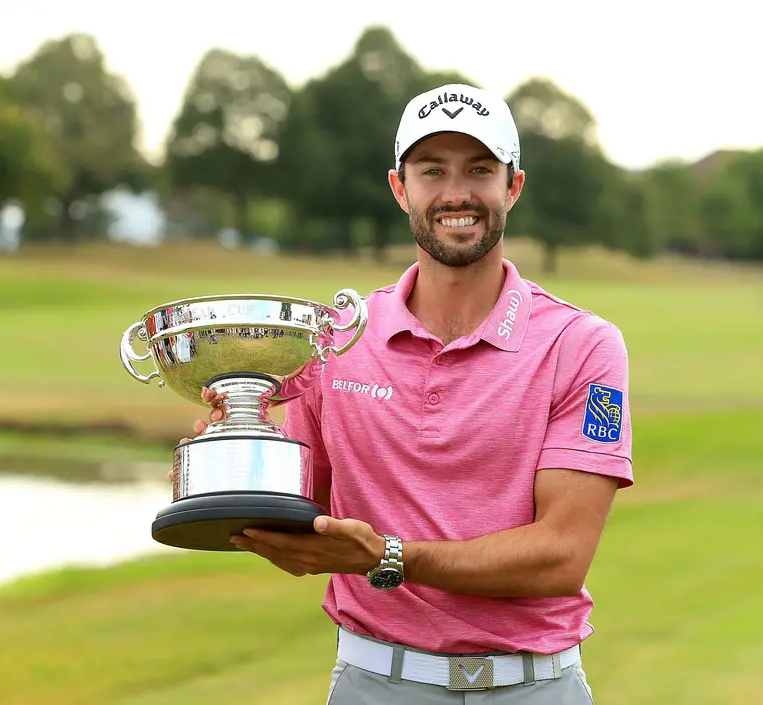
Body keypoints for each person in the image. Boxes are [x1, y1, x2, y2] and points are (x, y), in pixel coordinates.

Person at [187, 83, 633, 703]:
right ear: (400, 188)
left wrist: (388, 556)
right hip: (376, 683)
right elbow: (303, 511)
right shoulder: (334, 339)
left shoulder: (580, 345)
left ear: (513, 186)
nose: (457, 193)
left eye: (479, 169)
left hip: (536, 687)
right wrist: (232, 449)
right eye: (432, 170)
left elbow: (560, 556)